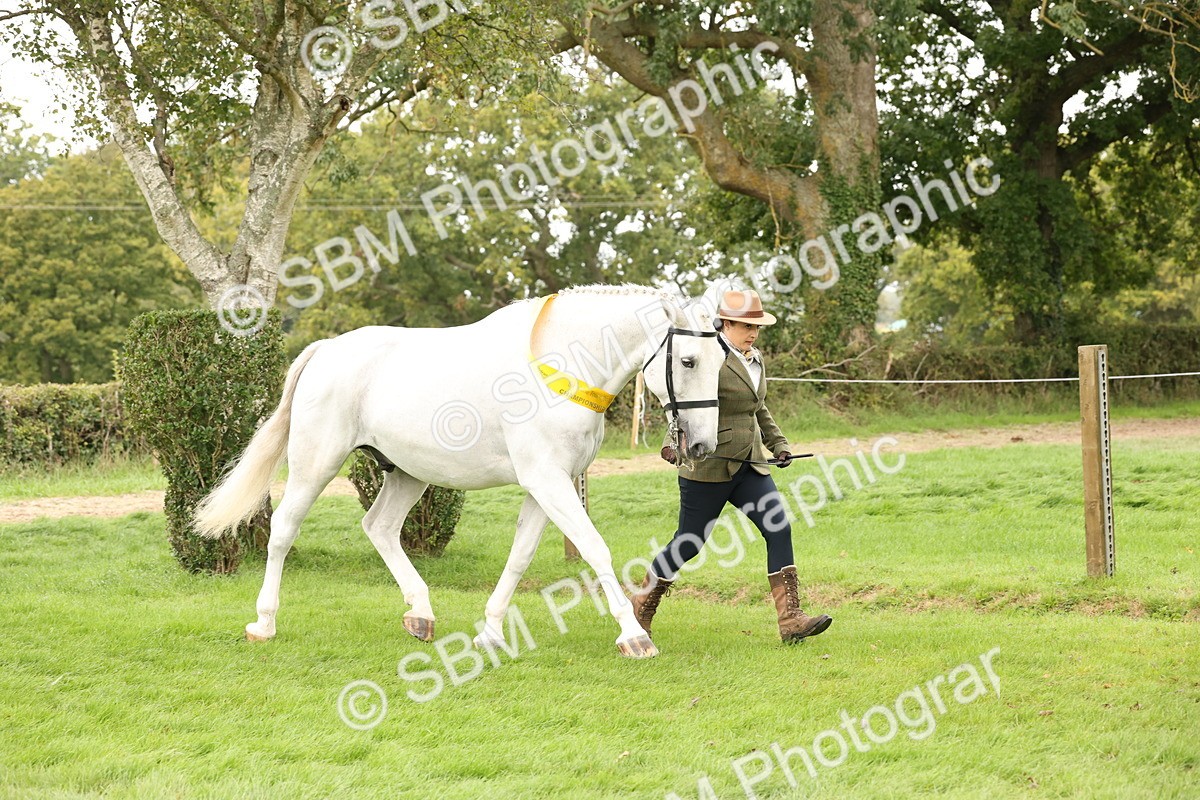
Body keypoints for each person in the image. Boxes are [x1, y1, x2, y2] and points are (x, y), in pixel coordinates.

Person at [631, 289, 833, 644]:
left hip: (750, 464)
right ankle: (643, 602)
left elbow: (759, 407)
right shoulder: (708, 355)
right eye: (744, 325)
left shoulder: (755, 359)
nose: (752, 332)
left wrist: (779, 445)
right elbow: (688, 401)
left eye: (756, 326)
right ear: (725, 323)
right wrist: (670, 442)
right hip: (707, 465)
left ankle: (791, 620)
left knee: (778, 528)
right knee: (689, 544)